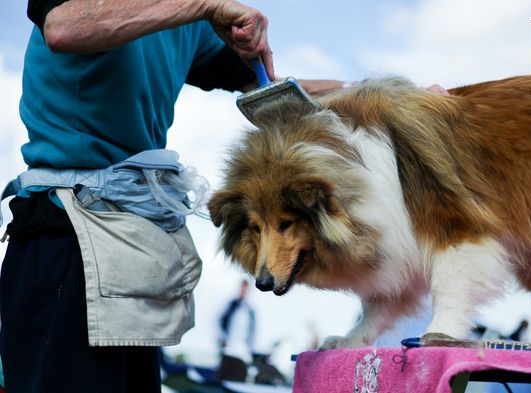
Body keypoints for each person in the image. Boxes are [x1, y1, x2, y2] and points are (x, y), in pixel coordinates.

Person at [0, 1, 343, 392]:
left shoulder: (188, 23)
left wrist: (384, 95)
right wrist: (205, 6)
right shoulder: (190, 10)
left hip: (135, 251)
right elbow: (62, 28)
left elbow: (269, 90)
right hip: (66, 234)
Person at [218, 279, 256, 362]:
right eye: (242, 289)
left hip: (243, 348)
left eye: (245, 289)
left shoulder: (250, 311)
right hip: (229, 346)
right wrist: (222, 339)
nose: (243, 291)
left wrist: (249, 345)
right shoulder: (230, 306)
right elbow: (219, 321)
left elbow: (252, 331)